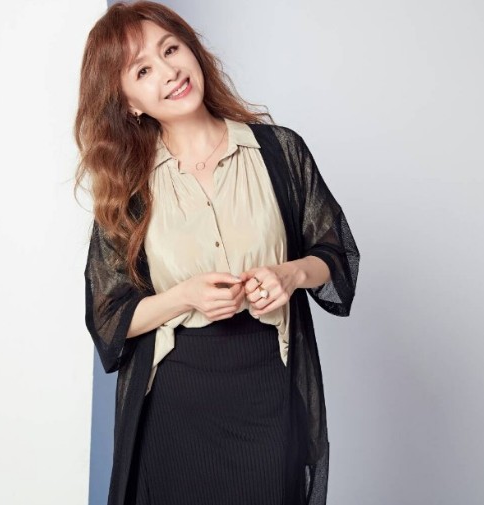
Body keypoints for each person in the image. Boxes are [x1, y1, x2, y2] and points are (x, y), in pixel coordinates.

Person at [74, 2, 360, 505]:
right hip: (174, 405)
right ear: (129, 103)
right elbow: (109, 317)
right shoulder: (130, 190)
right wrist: (184, 296)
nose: (168, 72)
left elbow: (335, 253)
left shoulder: (279, 151)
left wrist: (290, 274)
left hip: (268, 393)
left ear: (193, 51)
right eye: (142, 70)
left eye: (170, 50)